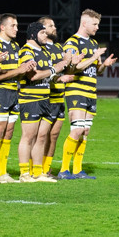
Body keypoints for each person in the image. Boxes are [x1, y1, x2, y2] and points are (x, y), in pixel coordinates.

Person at [58, 9, 116, 180]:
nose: (97, 27)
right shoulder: (72, 43)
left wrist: (104, 64)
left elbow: (97, 71)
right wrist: (94, 56)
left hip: (91, 91)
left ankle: (77, 170)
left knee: (85, 131)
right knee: (76, 130)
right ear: (84, 23)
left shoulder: (93, 44)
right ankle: (63, 170)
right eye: (95, 24)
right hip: (77, 90)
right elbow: (74, 68)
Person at [16, 21, 73, 182]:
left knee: (41, 137)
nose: (45, 35)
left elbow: (47, 74)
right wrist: (56, 68)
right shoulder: (26, 51)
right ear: (33, 34)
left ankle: (38, 172)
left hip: (44, 99)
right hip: (30, 99)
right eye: (42, 33)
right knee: (28, 136)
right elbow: (32, 76)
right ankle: (24, 173)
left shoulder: (44, 52)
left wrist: (59, 77)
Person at [0, 13, 35, 183]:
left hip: (14, 91)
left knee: (8, 133)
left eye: (17, 25)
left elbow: (16, 71)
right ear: (2, 27)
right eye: (13, 25)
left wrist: (26, 69)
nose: (16, 28)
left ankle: (2, 171)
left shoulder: (14, 46)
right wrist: (19, 71)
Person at [39, 15, 79, 179]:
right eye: (51, 25)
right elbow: (41, 73)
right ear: (42, 30)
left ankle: (46, 169)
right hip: (44, 98)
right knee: (40, 136)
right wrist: (58, 78)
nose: (54, 28)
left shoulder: (58, 48)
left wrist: (73, 64)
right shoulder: (39, 49)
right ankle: (35, 169)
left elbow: (66, 71)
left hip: (59, 98)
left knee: (53, 136)